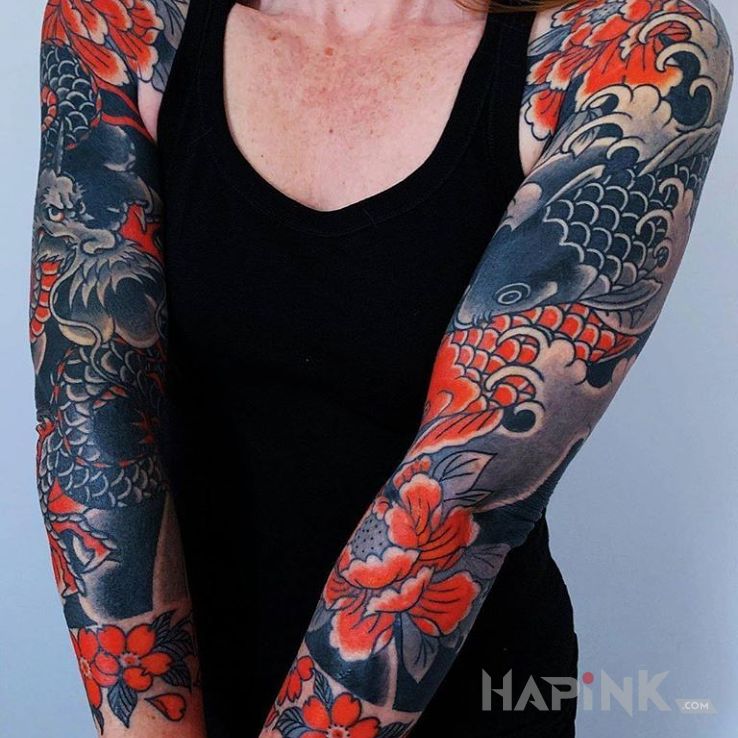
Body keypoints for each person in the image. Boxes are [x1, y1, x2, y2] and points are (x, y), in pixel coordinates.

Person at [30, 0, 731, 735]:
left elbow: (461, 492)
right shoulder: (124, 18)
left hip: (463, 697)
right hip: (183, 686)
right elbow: (89, 408)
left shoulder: (637, 46)